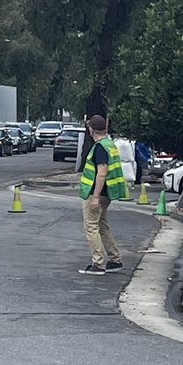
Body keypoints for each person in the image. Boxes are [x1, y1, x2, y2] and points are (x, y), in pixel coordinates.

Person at [78, 115, 125, 275]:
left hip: (96, 193)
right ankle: (115, 259)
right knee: (103, 226)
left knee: (91, 226)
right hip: (108, 193)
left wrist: (95, 197)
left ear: (91, 129)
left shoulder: (100, 147)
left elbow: (101, 172)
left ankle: (98, 264)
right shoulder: (110, 144)